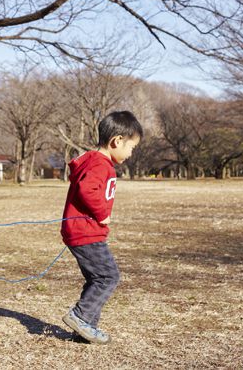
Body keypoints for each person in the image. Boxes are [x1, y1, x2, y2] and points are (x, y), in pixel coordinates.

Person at [60, 110, 142, 344]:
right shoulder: (100, 163)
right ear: (117, 141)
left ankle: (85, 330)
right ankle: (80, 316)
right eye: (131, 147)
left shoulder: (93, 161)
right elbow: (88, 190)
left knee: (97, 278)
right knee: (108, 276)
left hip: (81, 231)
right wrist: (102, 213)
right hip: (85, 231)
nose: (130, 152)